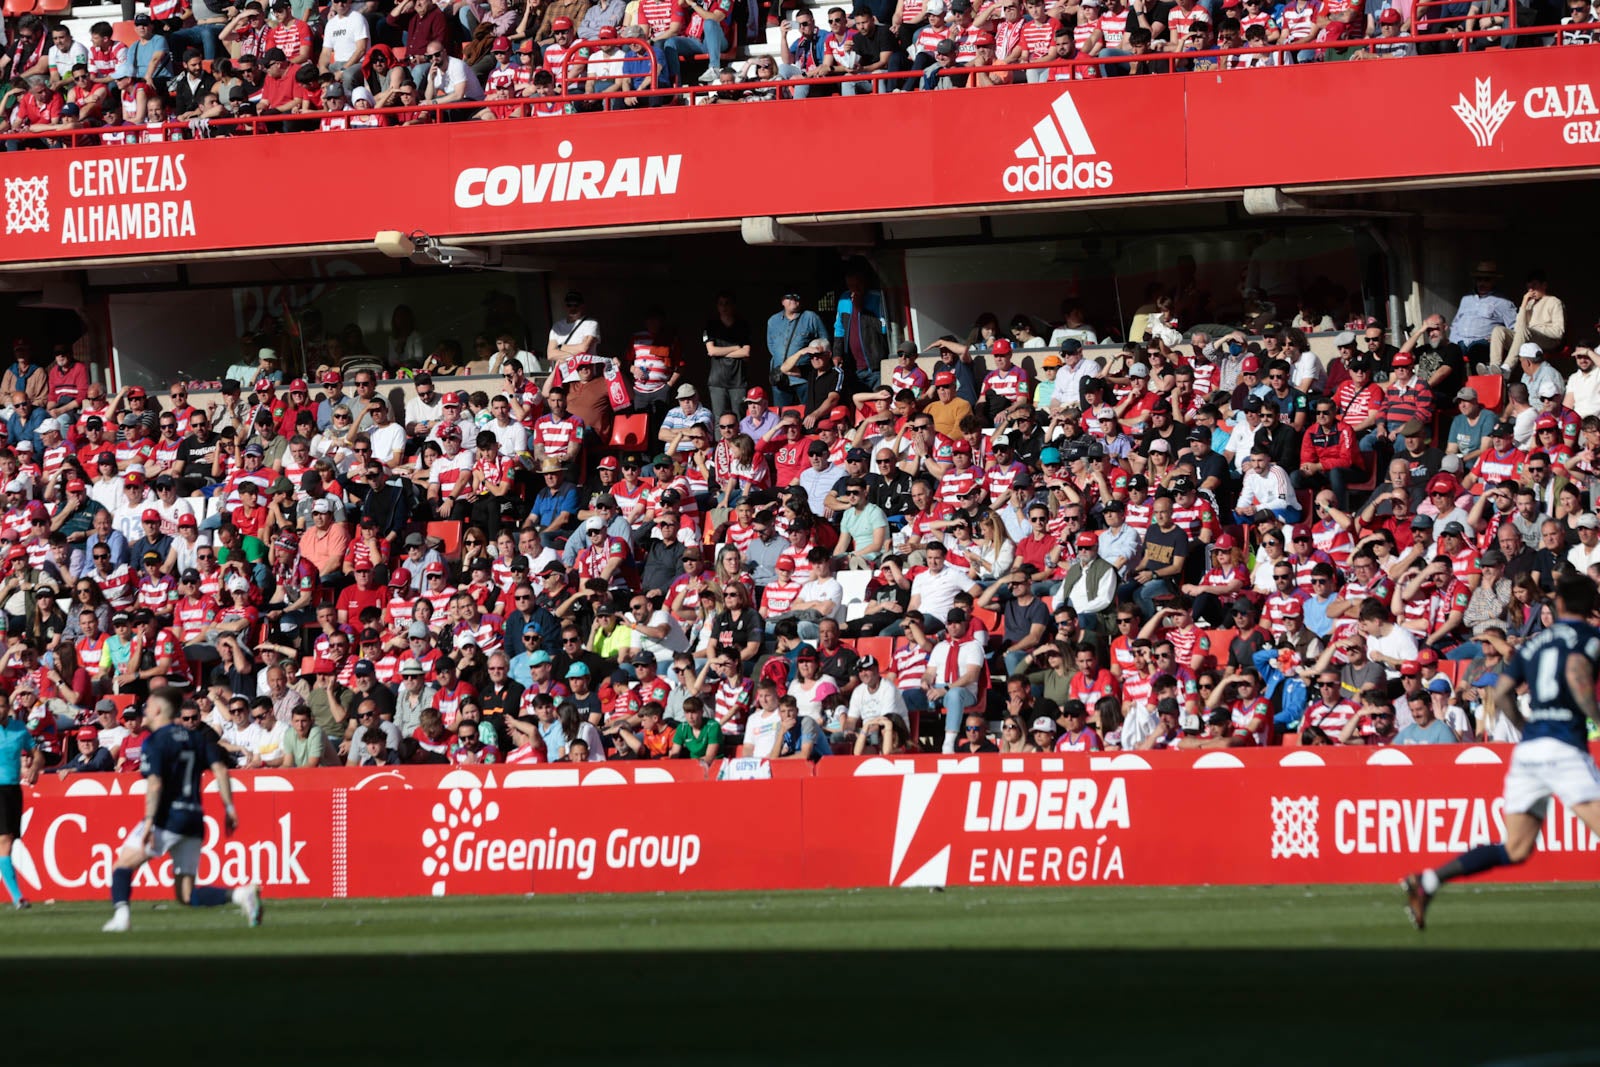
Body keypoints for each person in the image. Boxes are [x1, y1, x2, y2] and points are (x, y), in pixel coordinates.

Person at [1402, 573, 1600, 930]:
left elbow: (1504, 691)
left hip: (1531, 750)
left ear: (1561, 604)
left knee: (1516, 849)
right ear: (1590, 607)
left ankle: (1428, 881)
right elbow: (1576, 671)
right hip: (1564, 747)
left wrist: (1525, 729)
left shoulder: (1534, 646)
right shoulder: (1589, 637)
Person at [102, 687, 262, 932]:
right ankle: (241, 895)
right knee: (186, 896)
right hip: (194, 819)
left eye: (148, 705)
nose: (145, 709)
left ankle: (122, 918)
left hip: (167, 818)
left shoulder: (155, 741)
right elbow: (220, 770)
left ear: (156, 709)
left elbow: (155, 783)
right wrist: (229, 808)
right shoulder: (197, 738)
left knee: (122, 866)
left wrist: (148, 823)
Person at [0, 694, 42, 909]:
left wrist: (34, 767)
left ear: (8, 707)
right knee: (5, 840)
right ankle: (17, 897)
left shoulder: (19, 729)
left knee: (10, 840)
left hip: (12, 789)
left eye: (1, 706)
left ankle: (17, 896)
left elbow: (37, 753)